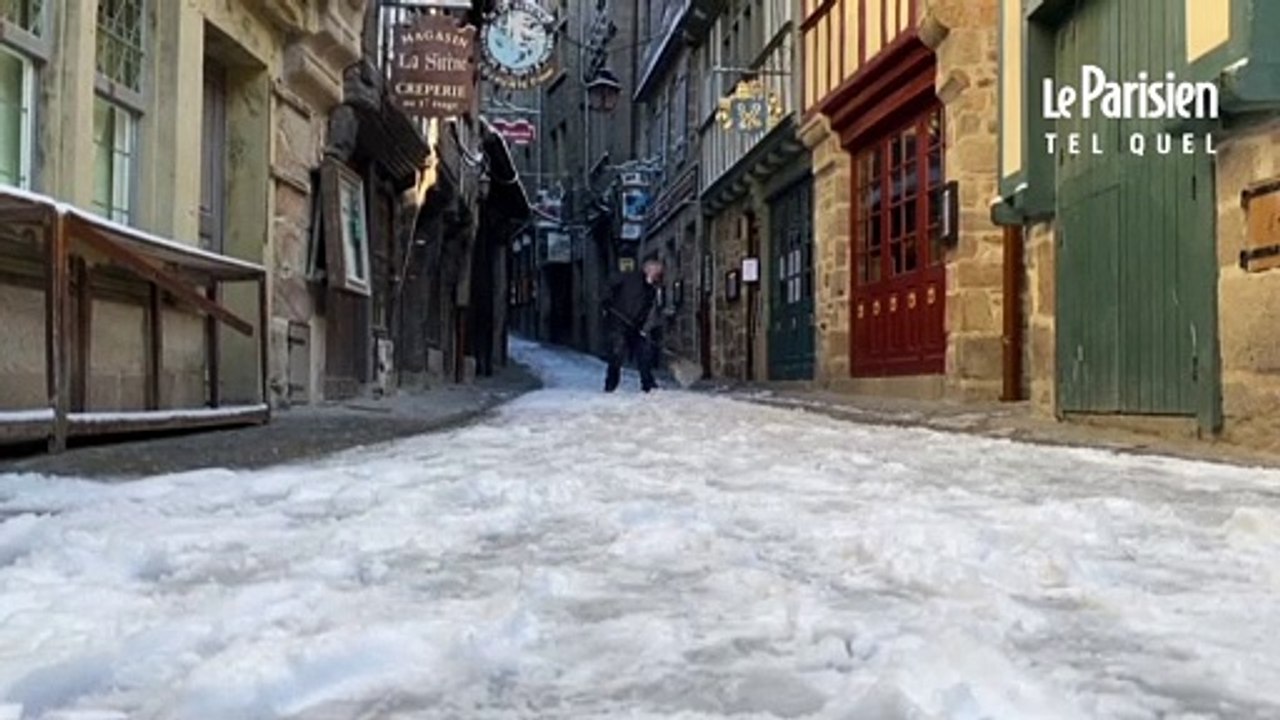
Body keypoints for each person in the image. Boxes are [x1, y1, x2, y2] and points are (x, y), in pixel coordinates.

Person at [601, 258, 664, 393]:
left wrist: (642, 325)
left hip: (635, 325)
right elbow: (609, 285)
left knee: (644, 353)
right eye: (656, 272)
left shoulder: (651, 290)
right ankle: (611, 385)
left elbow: (647, 310)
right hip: (618, 322)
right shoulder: (628, 278)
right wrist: (606, 301)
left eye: (658, 273)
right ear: (648, 269)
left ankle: (648, 384)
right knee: (617, 353)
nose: (657, 276)